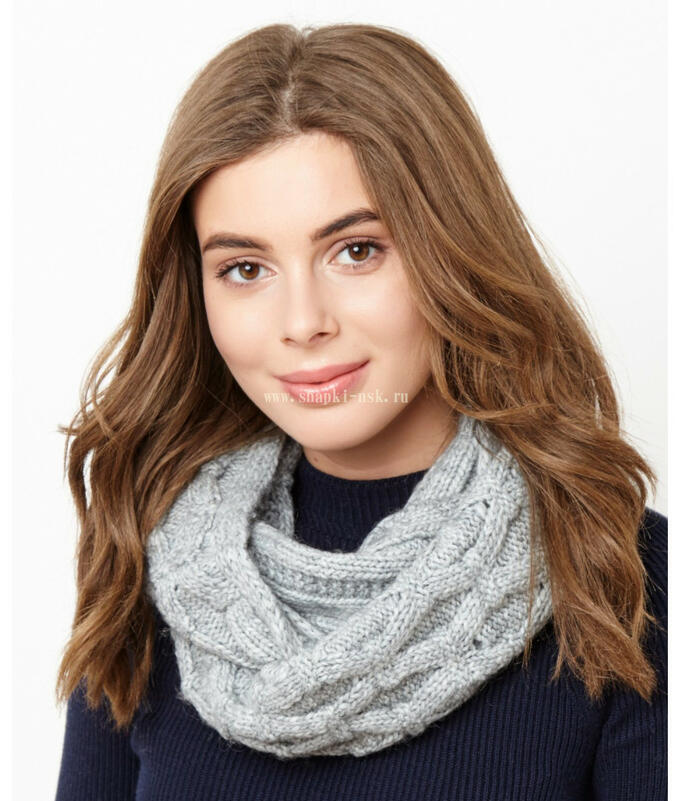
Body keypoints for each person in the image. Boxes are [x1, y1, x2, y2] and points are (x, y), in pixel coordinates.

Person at [52, 21, 667, 801]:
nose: (302, 321)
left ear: (450, 248)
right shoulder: (149, 563)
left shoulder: (623, 575)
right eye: (245, 268)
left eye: (357, 250)